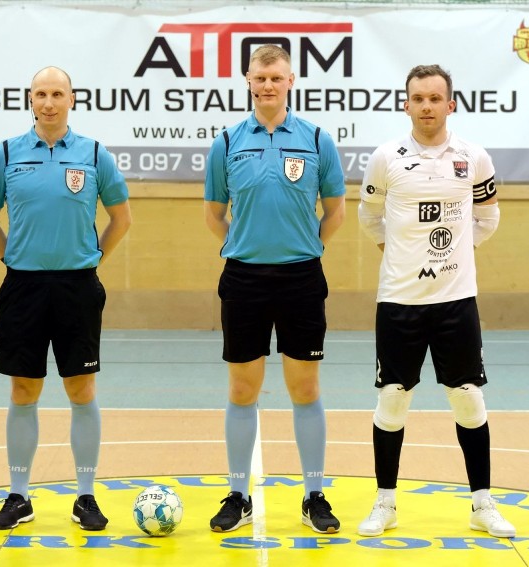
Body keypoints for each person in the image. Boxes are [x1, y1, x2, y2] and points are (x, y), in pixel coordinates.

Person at [356, 64, 515, 538]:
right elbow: (369, 217)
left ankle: (482, 505)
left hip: (456, 301)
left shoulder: (473, 157)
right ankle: (385, 503)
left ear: (450, 104)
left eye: (434, 98)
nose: (426, 106)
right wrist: (402, 256)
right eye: (417, 98)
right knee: (393, 398)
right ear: (406, 104)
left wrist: (455, 258)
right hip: (400, 301)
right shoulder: (386, 158)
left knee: (467, 398)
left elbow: (488, 217)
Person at [0, 66, 131, 531]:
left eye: (56, 93)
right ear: (29, 99)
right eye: (40, 93)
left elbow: (121, 219)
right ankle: (19, 495)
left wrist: (93, 257)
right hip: (23, 288)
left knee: (80, 390)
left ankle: (85, 496)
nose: (48, 102)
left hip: (77, 288)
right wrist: (14, 258)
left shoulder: (94, 153)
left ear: (71, 99)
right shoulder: (6, 154)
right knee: (23, 391)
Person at [203, 44, 347, 534]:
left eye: (276, 78)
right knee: (242, 391)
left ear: (290, 81)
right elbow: (213, 213)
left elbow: (336, 211)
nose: (268, 85)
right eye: (260, 78)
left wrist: (303, 247)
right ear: (248, 80)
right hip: (243, 278)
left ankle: (314, 494)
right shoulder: (226, 142)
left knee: (304, 389)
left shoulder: (316, 139)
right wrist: (244, 246)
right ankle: (238, 494)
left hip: (302, 278)